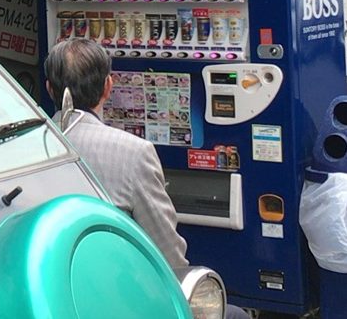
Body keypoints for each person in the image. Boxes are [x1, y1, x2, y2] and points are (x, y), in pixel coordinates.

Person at [45, 39, 250, 319]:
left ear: (50, 89)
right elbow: (166, 249)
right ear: (108, 86)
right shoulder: (133, 151)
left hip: (50, 292)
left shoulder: (23, 147)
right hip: (117, 297)